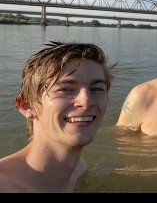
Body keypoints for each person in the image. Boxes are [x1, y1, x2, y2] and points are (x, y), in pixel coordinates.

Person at [0, 42, 114, 193]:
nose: (86, 102)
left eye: (97, 88)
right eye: (66, 89)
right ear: (27, 106)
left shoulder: (79, 169)